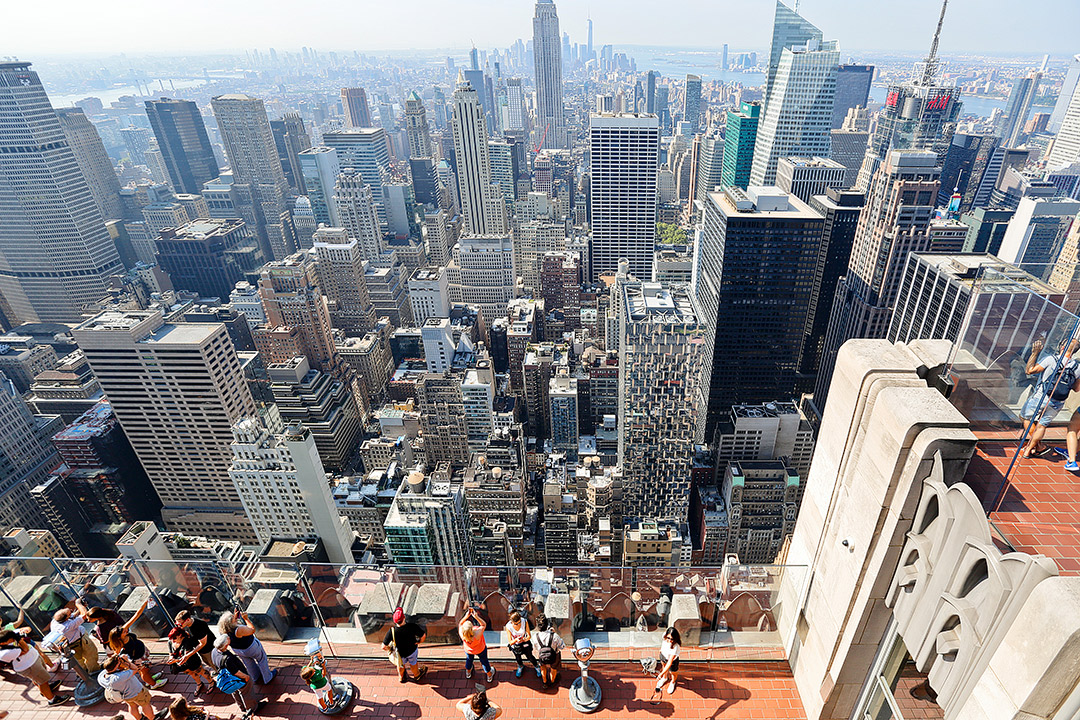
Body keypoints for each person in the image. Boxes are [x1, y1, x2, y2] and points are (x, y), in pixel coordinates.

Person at [1020, 337, 1080, 458]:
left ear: (1062, 347)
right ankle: (1031, 449)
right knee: (1042, 425)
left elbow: (1029, 370)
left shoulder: (1051, 359)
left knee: (1025, 417)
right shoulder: (1077, 367)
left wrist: (1034, 353)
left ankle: (1036, 446)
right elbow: (1076, 388)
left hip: (1041, 396)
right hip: (1058, 402)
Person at [0, 629, 70, 706]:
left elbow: (27, 629)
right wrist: (19, 639)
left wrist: (23, 631)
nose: (14, 639)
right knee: (42, 682)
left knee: (40, 680)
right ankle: (52, 699)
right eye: (12, 639)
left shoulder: (10, 636)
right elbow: (25, 649)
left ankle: (47, 688)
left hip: (35, 659)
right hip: (29, 666)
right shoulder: (4, 652)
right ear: (3, 643)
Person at [107, 601, 166, 689]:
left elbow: (136, 615)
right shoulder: (119, 644)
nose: (126, 630)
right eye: (123, 632)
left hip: (141, 652)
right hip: (137, 658)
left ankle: (150, 679)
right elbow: (116, 654)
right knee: (143, 671)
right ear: (119, 637)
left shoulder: (123, 631)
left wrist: (145, 603)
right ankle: (153, 684)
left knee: (145, 669)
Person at [211, 634, 267, 715]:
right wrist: (246, 677)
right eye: (228, 638)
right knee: (246, 692)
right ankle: (253, 708)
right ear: (226, 645)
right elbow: (236, 672)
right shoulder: (228, 659)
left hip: (230, 679)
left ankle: (242, 707)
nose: (229, 638)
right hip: (238, 678)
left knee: (235, 692)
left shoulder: (214, 652)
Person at [218, 610, 275, 685]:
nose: (235, 618)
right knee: (261, 659)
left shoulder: (223, 631)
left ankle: (255, 677)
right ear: (231, 623)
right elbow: (252, 630)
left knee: (248, 663)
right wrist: (246, 619)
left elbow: (231, 625)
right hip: (250, 647)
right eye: (233, 618)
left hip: (238, 650)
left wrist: (235, 616)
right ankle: (267, 678)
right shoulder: (238, 630)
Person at [99, 653, 157, 720]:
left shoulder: (101, 676)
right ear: (116, 666)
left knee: (132, 706)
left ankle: (139, 718)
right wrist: (127, 661)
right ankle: (152, 718)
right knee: (145, 705)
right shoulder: (119, 677)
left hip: (125, 696)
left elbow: (114, 669)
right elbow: (135, 669)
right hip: (136, 692)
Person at [381, 607, 428, 683]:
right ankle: (417, 675)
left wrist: (390, 649)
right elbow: (423, 636)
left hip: (400, 654)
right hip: (412, 651)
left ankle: (401, 677)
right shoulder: (412, 626)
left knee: (400, 665)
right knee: (413, 664)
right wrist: (419, 642)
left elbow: (383, 646)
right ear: (404, 617)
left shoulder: (392, 631)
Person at [51, 607, 100, 673]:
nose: (71, 611)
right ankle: (94, 671)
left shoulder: (55, 621)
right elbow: (84, 614)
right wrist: (78, 604)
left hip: (70, 644)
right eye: (69, 613)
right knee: (91, 656)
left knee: (78, 660)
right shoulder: (67, 626)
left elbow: (73, 615)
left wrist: (79, 610)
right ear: (66, 619)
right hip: (81, 641)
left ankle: (83, 672)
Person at [166, 627, 212, 695]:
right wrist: (171, 658)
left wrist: (175, 660)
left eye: (174, 638)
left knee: (201, 672)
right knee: (192, 674)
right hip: (181, 664)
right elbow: (171, 653)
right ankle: (199, 684)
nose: (173, 641)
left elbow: (186, 657)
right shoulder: (170, 642)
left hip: (192, 661)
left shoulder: (187, 641)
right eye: (171, 638)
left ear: (180, 635)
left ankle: (211, 682)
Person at [459, 606, 494, 683]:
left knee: (469, 660)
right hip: (480, 649)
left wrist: (466, 616)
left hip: (469, 650)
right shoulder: (477, 634)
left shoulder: (462, 635)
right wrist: (476, 616)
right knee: (484, 662)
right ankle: (489, 674)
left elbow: (460, 624)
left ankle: (468, 672)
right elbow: (483, 625)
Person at [504, 610, 540, 679]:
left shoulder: (524, 621)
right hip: (516, 644)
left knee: (530, 656)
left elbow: (529, 636)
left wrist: (524, 639)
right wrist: (516, 640)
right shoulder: (508, 626)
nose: (518, 624)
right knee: (518, 658)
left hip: (525, 642)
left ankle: (536, 666)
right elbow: (510, 642)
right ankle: (520, 666)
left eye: (519, 622)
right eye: (516, 624)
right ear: (512, 622)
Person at [649, 627, 681, 703]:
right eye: (668, 637)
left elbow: (670, 662)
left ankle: (673, 682)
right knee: (664, 666)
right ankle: (665, 678)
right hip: (663, 655)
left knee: (673, 672)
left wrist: (661, 673)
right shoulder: (664, 636)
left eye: (672, 639)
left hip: (672, 661)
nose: (669, 640)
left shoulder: (675, 647)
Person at [533, 614, 565, 686]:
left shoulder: (535, 637)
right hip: (554, 655)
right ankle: (552, 680)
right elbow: (562, 646)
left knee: (543, 667)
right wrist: (554, 633)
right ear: (547, 624)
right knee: (553, 668)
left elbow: (535, 648)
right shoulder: (554, 636)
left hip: (542, 655)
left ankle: (544, 682)